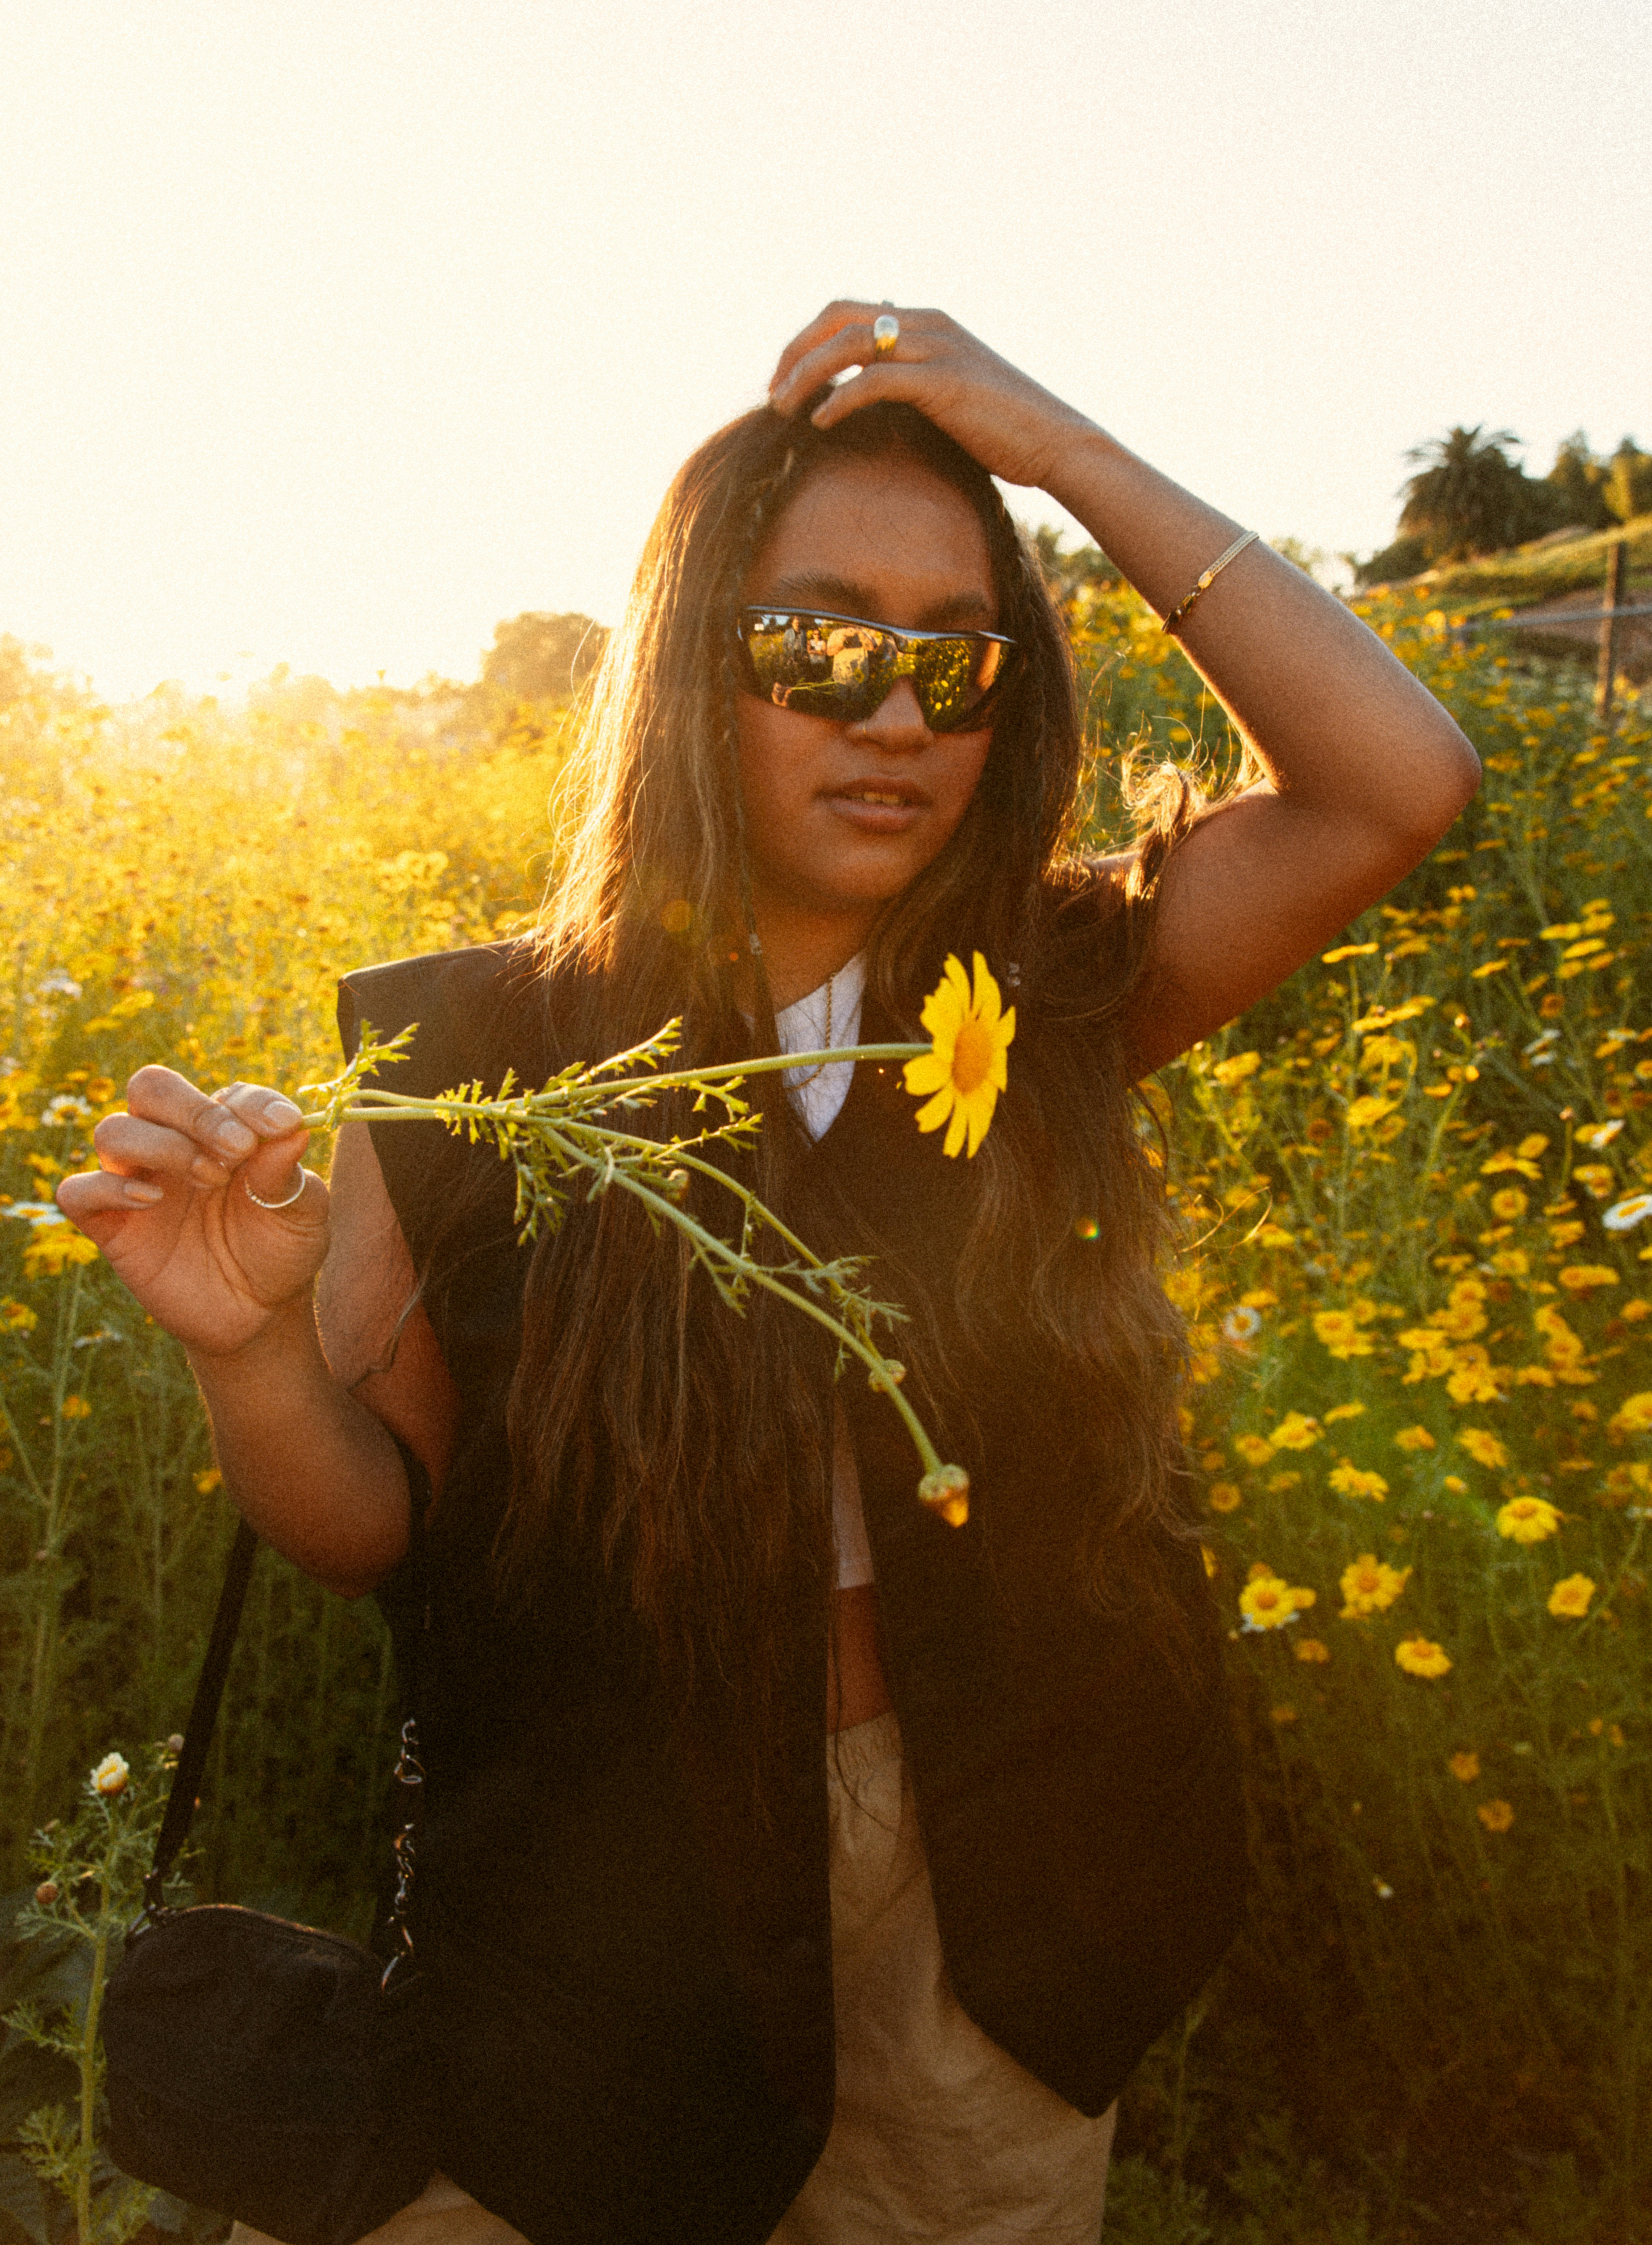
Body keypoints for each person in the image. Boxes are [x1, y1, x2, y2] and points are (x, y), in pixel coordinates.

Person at [61, 303, 1481, 2245]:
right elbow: (381, 1525)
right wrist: (245, 1351)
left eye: (954, 660)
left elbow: (1394, 783)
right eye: (815, 646)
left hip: (995, 1918)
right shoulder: (466, 1053)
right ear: (681, 673)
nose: (892, 713)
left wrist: (1056, 451)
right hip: (591, 1903)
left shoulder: (1038, 999)